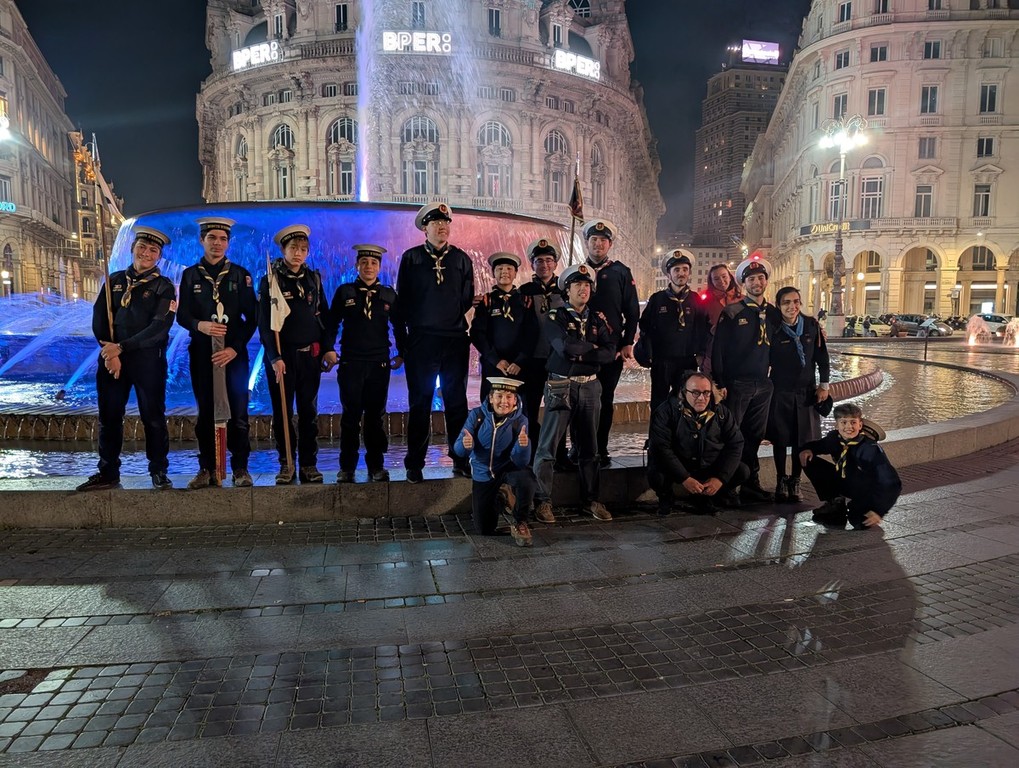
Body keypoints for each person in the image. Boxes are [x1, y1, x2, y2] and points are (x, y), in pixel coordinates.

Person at [77, 226, 177, 491]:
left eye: (153, 250)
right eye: (142, 247)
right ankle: (108, 472)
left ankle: (158, 470)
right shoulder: (114, 281)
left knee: (153, 417)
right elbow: (99, 319)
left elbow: (159, 328)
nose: (146, 253)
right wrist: (109, 351)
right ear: (133, 249)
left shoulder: (164, 287)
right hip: (112, 361)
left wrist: (120, 348)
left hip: (147, 362)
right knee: (109, 417)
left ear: (159, 256)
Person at [396, 203, 475, 483]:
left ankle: (460, 459)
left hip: (454, 341)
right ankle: (415, 463)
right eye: (436, 223)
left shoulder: (462, 259)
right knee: (420, 403)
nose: (442, 227)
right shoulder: (412, 258)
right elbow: (402, 302)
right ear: (425, 228)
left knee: (457, 403)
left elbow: (467, 300)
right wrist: (404, 343)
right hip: (422, 341)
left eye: (445, 223)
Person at [177, 217, 258, 489]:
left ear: (228, 243)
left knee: (238, 412)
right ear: (202, 240)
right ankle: (207, 468)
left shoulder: (240, 275)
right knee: (206, 412)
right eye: (212, 238)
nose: (217, 243)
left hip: (233, 356)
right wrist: (198, 325)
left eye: (223, 239)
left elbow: (253, 318)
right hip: (203, 353)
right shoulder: (190, 275)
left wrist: (235, 348)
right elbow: (182, 315)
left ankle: (240, 468)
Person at [532, 264, 617, 523]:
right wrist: (592, 349)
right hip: (561, 384)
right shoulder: (555, 316)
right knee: (548, 447)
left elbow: (609, 352)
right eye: (577, 285)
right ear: (566, 290)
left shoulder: (597, 318)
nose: (583, 289)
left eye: (587, 285)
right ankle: (542, 501)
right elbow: (564, 348)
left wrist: (583, 351)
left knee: (590, 448)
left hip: (590, 385)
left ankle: (591, 500)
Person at [257, 224, 337, 485]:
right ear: (283, 250)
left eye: (303, 249)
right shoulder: (271, 281)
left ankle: (309, 464)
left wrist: (328, 348)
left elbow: (325, 317)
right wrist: (274, 357)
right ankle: (287, 463)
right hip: (282, 358)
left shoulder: (313, 279)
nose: (298, 253)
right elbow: (265, 324)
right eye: (293, 248)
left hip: (309, 357)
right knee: (282, 412)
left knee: (308, 412)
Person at [327, 244, 406, 483]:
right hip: (351, 362)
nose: (368, 267)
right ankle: (347, 468)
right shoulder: (345, 292)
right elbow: (331, 323)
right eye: (364, 262)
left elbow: (399, 327)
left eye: (373, 263)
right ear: (357, 265)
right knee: (350, 417)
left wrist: (402, 354)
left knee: (375, 417)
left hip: (379, 364)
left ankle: (376, 466)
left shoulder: (389, 295)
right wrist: (329, 349)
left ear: (379, 267)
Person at [711, 256, 780, 502]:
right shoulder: (732, 312)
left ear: (766, 281)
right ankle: (726, 486)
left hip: (763, 384)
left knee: (754, 435)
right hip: (737, 384)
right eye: (751, 279)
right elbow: (718, 350)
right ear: (743, 283)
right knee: (732, 435)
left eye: (761, 278)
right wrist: (720, 383)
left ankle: (751, 483)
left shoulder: (774, 313)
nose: (757, 282)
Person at [647, 371, 749, 516]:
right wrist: (684, 478)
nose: (701, 398)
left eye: (706, 393)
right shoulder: (666, 411)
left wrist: (720, 478)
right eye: (695, 393)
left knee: (742, 471)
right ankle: (666, 497)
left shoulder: (721, 412)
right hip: (680, 464)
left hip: (708, 464)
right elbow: (661, 448)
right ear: (684, 392)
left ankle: (712, 495)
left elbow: (736, 443)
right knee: (656, 473)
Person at [453, 377, 536, 547]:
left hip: (507, 468)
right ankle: (500, 496)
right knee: (484, 529)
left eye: (509, 397)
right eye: (499, 396)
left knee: (527, 479)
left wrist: (523, 447)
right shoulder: (477, 415)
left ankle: (521, 521)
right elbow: (459, 451)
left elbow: (521, 462)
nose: (503, 401)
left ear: (515, 400)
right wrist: (465, 445)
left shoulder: (520, 421)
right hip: (483, 472)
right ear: (491, 398)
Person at [583, 219, 639, 468]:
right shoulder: (578, 270)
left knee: (605, 400)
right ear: (587, 242)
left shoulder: (620, 272)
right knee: (581, 401)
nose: (598, 244)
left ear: (610, 244)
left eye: (603, 240)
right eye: (594, 240)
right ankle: (582, 449)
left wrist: (627, 342)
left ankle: (601, 448)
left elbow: (632, 310)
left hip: (611, 349)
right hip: (583, 349)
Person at [768, 287, 830, 503]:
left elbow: (822, 358)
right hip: (780, 392)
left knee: (800, 440)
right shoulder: (772, 328)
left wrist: (824, 385)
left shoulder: (811, 325)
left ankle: (795, 480)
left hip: (805, 393)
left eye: (796, 301)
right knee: (779, 439)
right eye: (786, 302)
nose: (792, 306)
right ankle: (780, 480)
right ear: (778, 305)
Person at [799, 403, 901, 530]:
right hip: (846, 481)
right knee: (807, 459)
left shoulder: (869, 449)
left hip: (866, 490)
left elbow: (892, 483)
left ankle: (857, 508)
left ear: (860, 425)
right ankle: (835, 502)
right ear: (837, 425)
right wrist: (807, 449)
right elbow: (819, 445)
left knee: (859, 521)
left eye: (853, 422)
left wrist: (878, 510)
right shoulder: (834, 439)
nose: (848, 427)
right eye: (843, 422)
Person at [638, 248, 708, 412]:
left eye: (685, 269)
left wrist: (700, 353)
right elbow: (645, 327)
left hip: (687, 361)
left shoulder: (695, 299)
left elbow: (702, 328)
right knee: (659, 402)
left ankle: (681, 429)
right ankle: (658, 430)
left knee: (684, 402)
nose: (681, 273)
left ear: (689, 273)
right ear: (669, 274)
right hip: (662, 361)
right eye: (676, 270)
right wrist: (648, 353)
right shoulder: (657, 299)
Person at [518, 238, 567, 464]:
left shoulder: (565, 290)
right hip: (533, 361)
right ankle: (533, 451)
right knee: (529, 408)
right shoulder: (524, 292)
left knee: (558, 408)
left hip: (558, 360)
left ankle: (560, 453)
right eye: (539, 261)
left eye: (549, 260)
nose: (544, 265)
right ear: (532, 264)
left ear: (555, 263)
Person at [470, 252, 537, 402]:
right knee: (491, 405)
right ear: (493, 273)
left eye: (509, 268)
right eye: (499, 269)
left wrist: (520, 361)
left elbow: (532, 333)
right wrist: (495, 360)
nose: (504, 272)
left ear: (515, 273)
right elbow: (477, 334)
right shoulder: (486, 301)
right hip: (493, 365)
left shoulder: (525, 301)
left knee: (518, 406)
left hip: (518, 367)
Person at [701, 263, 742, 378]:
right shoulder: (706, 303)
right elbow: (700, 331)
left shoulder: (742, 300)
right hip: (713, 356)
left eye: (724, 276)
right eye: (716, 279)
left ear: (730, 277)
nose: (721, 281)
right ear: (711, 282)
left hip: (739, 356)